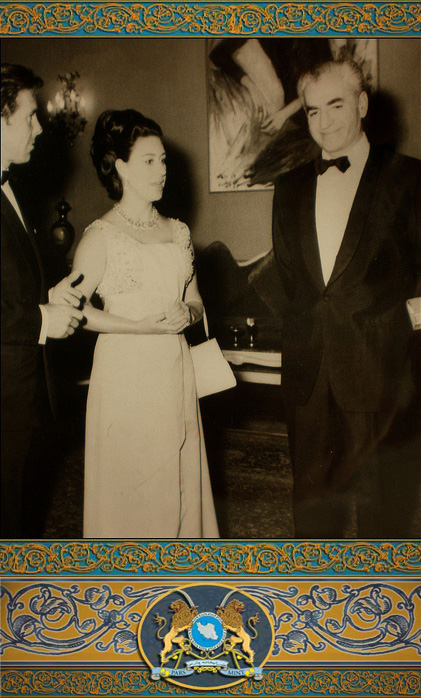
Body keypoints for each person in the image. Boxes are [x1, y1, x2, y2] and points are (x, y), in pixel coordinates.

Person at [272, 59, 421, 538]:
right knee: (312, 509)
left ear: (361, 103)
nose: (324, 121)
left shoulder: (411, 179)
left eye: (335, 105)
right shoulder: (288, 187)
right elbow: (291, 279)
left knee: (385, 513)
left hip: (383, 373)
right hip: (309, 374)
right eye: (312, 111)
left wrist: (401, 324)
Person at [72, 109, 219, 538]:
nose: (162, 171)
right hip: (125, 376)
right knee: (135, 486)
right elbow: (76, 311)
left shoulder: (179, 231)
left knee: (178, 478)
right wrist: (142, 327)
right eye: (149, 161)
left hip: (175, 370)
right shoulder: (99, 236)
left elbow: (197, 303)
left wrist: (186, 314)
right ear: (120, 167)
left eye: (164, 160)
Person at [1, 63, 84, 537]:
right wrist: (39, 320)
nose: (40, 128)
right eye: (30, 116)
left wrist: (48, 295)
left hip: (24, 397)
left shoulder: (12, 186)